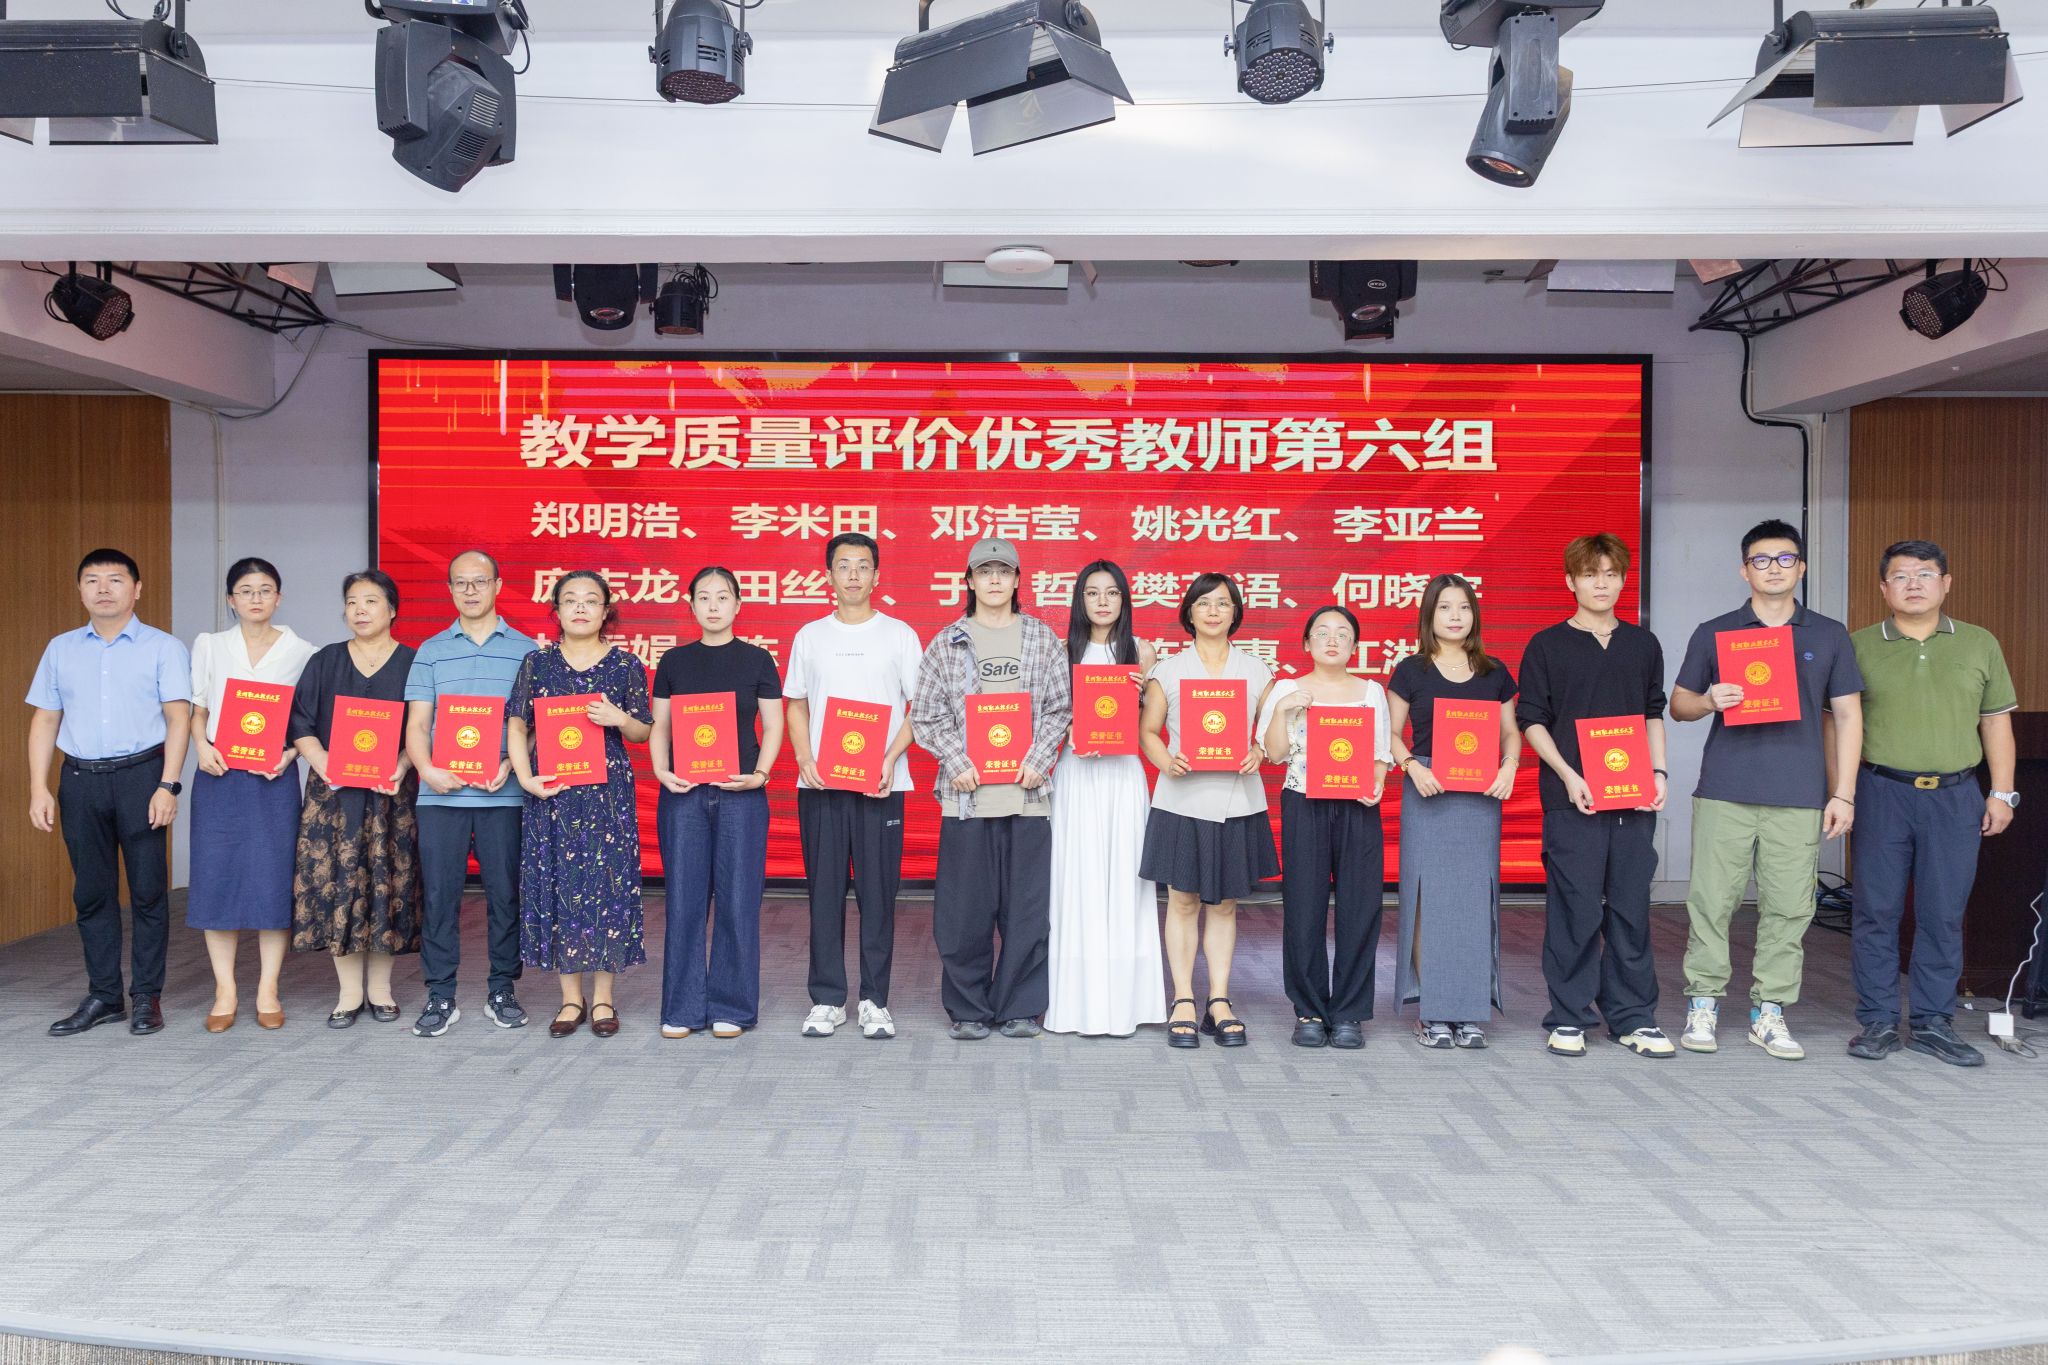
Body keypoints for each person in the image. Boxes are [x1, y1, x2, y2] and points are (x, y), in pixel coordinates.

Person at [1669, 519, 1864, 1061]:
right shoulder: (1715, 632)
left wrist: (1843, 793)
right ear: (1744, 570)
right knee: (1711, 902)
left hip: (1799, 793)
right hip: (1725, 789)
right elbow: (1678, 705)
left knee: (1789, 908)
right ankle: (1703, 1001)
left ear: (1801, 568)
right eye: (1761, 560)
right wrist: (1709, 700)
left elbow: (1848, 715)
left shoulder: (1828, 634)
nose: (1773, 568)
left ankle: (1770, 1010)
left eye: (1784, 559)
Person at [1846, 539, 2018, 1068]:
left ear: (1946, 583)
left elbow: (1996, 722)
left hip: (1956, 796)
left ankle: (1932, 1022)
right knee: (1876, 910)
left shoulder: (1979, 643)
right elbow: (1839, 725)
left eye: (1924, 574)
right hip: (1881, 791)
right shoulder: (1858, 645)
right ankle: (1877, 1021)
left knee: (1943, 913)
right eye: (1900, 576)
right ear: (1884, 588)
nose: (1913, 584)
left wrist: (2002, 792)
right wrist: (1841, 793)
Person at [1517, 533, 1674, 1059]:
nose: (1601, 584)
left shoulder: (1643, 644)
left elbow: (1653, 712)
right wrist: (1568, 774)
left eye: (1610, 574)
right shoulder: (1547, 645)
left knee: (1630, 909)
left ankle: (1634, 1018)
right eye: (1589, 575)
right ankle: (1569, 1015)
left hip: (1633, 797)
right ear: (1571, 582)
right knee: (1576, 909)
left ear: (1623, 580)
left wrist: (1659, 772)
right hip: (1573, 799)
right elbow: (1532, 720)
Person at [910, 537, 1073, 1041]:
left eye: (1004, 571)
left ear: (1018, 580)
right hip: (966, 801)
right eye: (985, 572)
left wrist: (1039, 760)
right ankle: (969, 1009)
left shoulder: (1042, 639)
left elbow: (1060, 709)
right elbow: (926, 714)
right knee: (964, 914)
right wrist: (956, 761)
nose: (995, 579)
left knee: (1027, 913)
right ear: (970, 580)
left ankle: (1019, 1007)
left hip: (1027, 800)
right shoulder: (947, 642)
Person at [27, 548, 191, 1037]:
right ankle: (104, 995)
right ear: (80, 590)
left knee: (147, 892)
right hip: (80, 781)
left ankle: (146, 997)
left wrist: (168, 784)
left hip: (142, 777)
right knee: (92, 893)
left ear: (136, 589)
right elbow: (45, 719)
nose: (103, 588)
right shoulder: (60, 649)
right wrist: (38, 787)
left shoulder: (163, 647)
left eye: (115, 579)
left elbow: (178, 719)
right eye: (92, 580)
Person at [783, 532, 923, 1040]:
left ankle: (874, 1000)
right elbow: (795, 703)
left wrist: (889, 758)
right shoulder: (810, 636)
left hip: (882, 784)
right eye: (844, 566)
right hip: (821, 785)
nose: (854, 575)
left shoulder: (899, 635)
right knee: (823, 893)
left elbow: (921, 707)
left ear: (877, 576)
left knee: (878, 895)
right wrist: (805, 757)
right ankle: (827, 999)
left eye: (863, 566)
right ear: (828, 576)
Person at [506, 571, 652, 1040]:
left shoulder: (625, 664)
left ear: (607, 610)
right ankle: (571, 998)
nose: (581, 608)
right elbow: (517, 724)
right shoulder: (537, 663)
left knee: (608, 888)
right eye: (570, 600)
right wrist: (525, 777)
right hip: (554, 793)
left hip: (608, 796)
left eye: (591, 600)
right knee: (560, 886)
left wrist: (618, 717)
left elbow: (642, 731)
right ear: (557, 610)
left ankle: (604, 996)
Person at [1139, 573, 1278, 1049]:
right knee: (1182, 901)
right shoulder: (1169, 670)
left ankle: (1219, 1000)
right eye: (1204, 603)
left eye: (1223, 603)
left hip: (1238, 801)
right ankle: (1183, 998)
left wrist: (1260, 749)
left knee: (1224, 904)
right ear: (1190, 613)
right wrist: (1165, 761)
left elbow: (1277, 730)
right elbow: (1148, 731)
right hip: (1182, 800)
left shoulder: (1257, 670)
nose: (1214, 611)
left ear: (1236, 612)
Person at [402, 549, 538, 1038]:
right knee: (440, 897)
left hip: (504, 795)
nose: (470, 590)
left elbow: (534, 726)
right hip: (441, 797)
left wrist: (510, 763)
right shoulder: (431, 651)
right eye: (460, 582)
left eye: (480, 581)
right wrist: (427, 770)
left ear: (498, 586)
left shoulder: (527, 650)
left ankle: (502, 989)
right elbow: (418, 724)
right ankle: (440, 994)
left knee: (505, 895)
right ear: (450, 590)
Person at [650, 566, 784, 1040]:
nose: (712, 605)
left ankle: (732, 1006)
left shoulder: (758, 660)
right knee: (683, 902)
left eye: (722, 596)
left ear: (738, 605)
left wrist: (760, 775)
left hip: (741, 796)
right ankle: (683, 1007)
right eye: (703, 597)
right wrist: (661, 770)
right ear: (690, 605)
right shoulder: (674, 662)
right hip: (683, 796)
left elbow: (773, 726)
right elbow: (660, 726)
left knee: (738, 901)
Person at [1387, 574, 1520, 1050]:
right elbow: (1391, 733)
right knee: (1427, 897)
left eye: (1463, 607)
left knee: (1473, 899)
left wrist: (1510, 765)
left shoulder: (1494, 672)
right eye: (1445, 607)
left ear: (1474, 615)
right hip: (1427, 787)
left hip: (1480, 792)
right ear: (1429, 614)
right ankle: (1434, 1009)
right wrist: (1411, 766)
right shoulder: (1410, 670)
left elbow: (1510, 732)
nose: (1455, 616)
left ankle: (1468, 1010)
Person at [186, 557, 318, 1032]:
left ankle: (268, 989)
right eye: (245, 590)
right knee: (215, 879)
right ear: (231, 599)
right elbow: (199, 708)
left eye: (264, 590)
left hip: (271, 779)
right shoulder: (210, 644)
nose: (255, 598)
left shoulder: (304, 652)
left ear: (278, 598)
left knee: (271, 882)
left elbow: (307, 722)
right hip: (219, 776)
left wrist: (290, 756)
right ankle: (224, 991)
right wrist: (201, 746)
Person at [288, 570, 424, 1026]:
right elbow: (300, 721)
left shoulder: (414, 663)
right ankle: (348, 994)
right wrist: (323, 761)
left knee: (387, 885)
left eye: (370, 601)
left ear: (392, 609)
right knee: (340, 884)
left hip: (390, 794)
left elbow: (424, 727)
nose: (359, 610)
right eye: (351, 602)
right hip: (334, 795)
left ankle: (381, 991)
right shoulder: (325, 660)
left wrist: (402, 764)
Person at [1259, 605, 1391, 1050]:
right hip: (1304, 804)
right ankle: (1310, 1009)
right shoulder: (1288, 688)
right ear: (1306, 643)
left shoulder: (1371, 691)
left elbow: (1379, 755)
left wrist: (1376, 785)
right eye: (1322, 632)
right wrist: (1283, 710)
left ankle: (1350, 1011)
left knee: (1360, 908)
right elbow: (1275, 754)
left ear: (1355, 645)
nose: (1332, 640)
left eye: (1342, 633)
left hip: (1358, 808)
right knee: (1304, 907)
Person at [1045, 561, 1166, 1038]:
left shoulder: (1143, 650)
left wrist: (1143, 695)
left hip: (1122, 776)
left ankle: (1126, 1004)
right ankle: (1075, 1003)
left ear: (1124, 600)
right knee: (1077, 879)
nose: (1102, 601)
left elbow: (1152, 723)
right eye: (1092, 593)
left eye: (1112, 593)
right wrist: (1072, 728)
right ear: (1079, 600)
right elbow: (1047, 717)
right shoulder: (1061, 652)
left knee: (1124, 878)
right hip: (1077, 775)